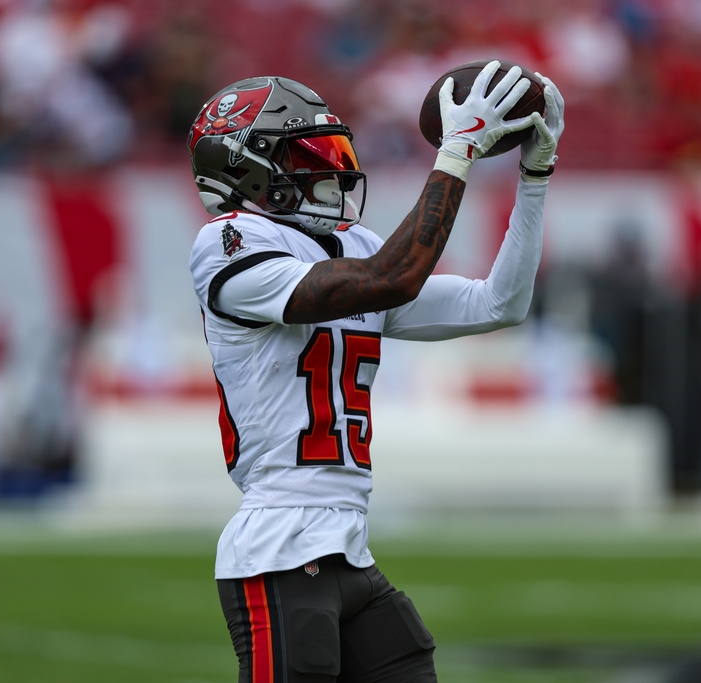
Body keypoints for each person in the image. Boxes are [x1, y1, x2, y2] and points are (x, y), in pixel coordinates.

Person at [187, 62, 563, 682]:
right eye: (308, 157)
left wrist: (535, 177)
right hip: (279, 541)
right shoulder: (229, 243)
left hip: (348, 543)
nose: (331, 171)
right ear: (247, 169)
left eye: (333, 153)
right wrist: (458, 152)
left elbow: (500, 303)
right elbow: (393, 277)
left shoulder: (354, 247)